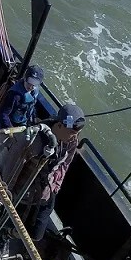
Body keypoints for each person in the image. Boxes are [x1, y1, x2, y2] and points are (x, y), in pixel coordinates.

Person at [20, 103, 85, 241]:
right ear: (60, 125)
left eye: (77, 134)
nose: (74, 138)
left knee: (37, 232)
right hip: (26, 187)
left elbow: (65, 164)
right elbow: (17, 162)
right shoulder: (38, 139)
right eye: (72, 133)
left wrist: (56, 185)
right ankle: (8, 234)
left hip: (48, 189)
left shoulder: (71, 141)